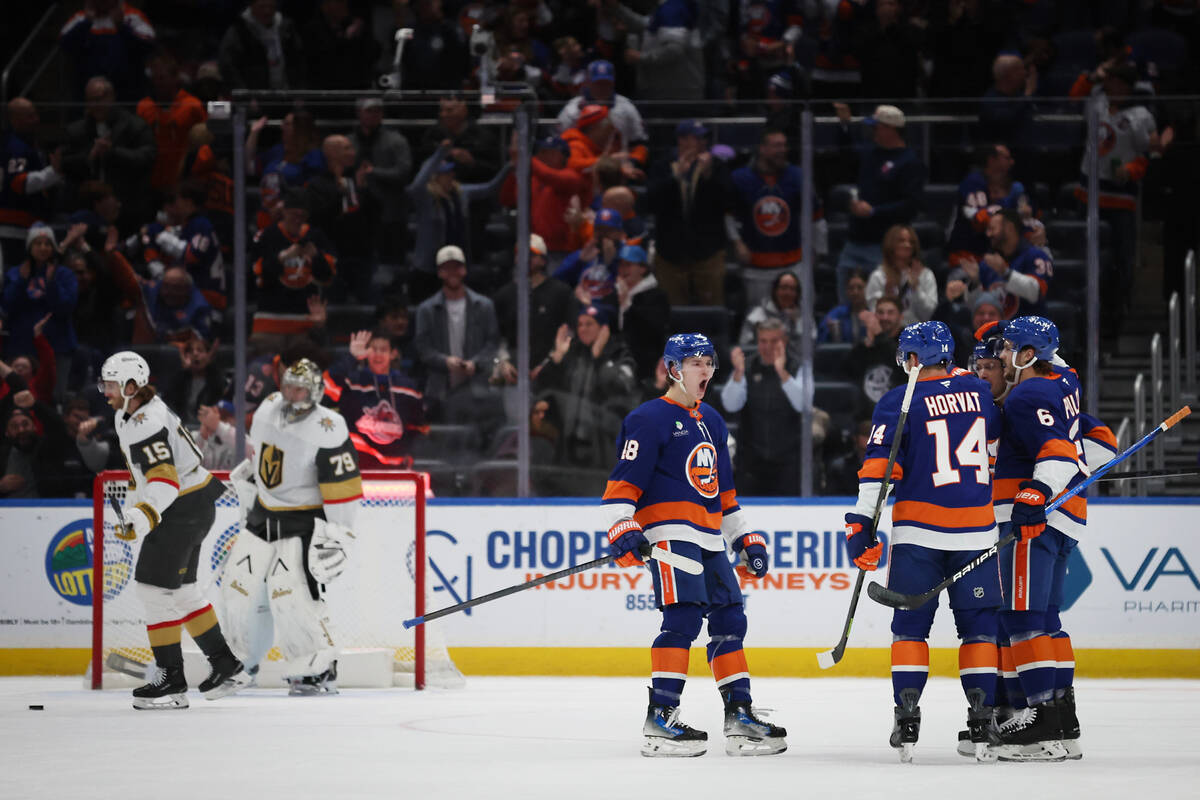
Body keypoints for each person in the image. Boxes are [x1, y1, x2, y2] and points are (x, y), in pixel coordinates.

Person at [601, 332, 786, 757]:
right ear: (673, 369)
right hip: (669, 536)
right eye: (695, 362)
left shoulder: (713, 422)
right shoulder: (648, 419)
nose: (705, 370)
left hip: (708, 538)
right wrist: (622, 528)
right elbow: (620, 490)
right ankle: (661, 718)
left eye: (709, 362)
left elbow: (724, 497)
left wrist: (744, 536)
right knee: (683, 618)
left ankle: (739, 715)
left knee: (730, 621)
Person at [845, 320, 1002, 762]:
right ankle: (981, 719)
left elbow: (879, 471)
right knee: (979, 629)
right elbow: (991, 451)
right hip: (976, 530)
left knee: (910, 628)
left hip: (918, 533)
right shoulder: (980, 391)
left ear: (914, 359)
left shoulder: (899, 400)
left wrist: (860, 526)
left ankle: (907, 717)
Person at [98, 351, 249, 708]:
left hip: (180, 508)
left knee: (152, 590)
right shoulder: (130, 413)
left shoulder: (144, 422)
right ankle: (224, 665)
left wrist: (140, 517)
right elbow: (148, 478)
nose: (104, 390)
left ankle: (171, 680)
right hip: (193, 504)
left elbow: (164, 483)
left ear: (131, 385)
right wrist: (140, 512)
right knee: (182, 591)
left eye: (111, 383)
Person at [220, 358, 361, 695]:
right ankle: (237, 660)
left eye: (299, 388)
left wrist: (339, 535)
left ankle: (317, 665)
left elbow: (344, 488)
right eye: (287, 386)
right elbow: (262, 456)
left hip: (301, 522)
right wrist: (250, 481)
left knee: (291, 593)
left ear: (315, 392)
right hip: (261, 516)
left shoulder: (330, 428)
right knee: (234, 588)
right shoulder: (269, 408)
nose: (291, 394)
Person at [988, 316, 1094, 761]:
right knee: (1046, 619)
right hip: (1065, 515)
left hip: (1034, 519)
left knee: (1022, 619)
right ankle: (1062, 720)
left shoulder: (1028, 394)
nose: (1001, 353)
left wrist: (1035, 493)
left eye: (1009, 346)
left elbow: (1055, 449)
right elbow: (1076, 440)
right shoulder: (1064, 380)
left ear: (1030, 354)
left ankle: (1042, 724)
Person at [832, 103, 926, 304]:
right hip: (855, 240)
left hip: (883, 245)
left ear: (891, 129)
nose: (873, 131)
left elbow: (911, 205)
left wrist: (874, 211)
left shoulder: (910, 162)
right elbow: (846, 155)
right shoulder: (870, 153)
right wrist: (845, 126)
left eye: (877, 127)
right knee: (846, 300)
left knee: (881, 304)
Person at [412, 245, 503, 432]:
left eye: (457, 267)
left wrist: (475, 363)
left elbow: (493, 342)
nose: (453, 272)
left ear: (464, 270)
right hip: (439, 390)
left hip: (477, 388)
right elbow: (422, 347)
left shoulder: (484, 306)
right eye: (447, 268)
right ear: (439, 273)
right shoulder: (426, 309)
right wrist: (445, 361)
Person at [729, 128, 823, 309]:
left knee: (798, 320)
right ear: (762, 149)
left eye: (785, 145)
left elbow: (816, 217)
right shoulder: (739, 178)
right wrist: (737, 242)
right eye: (776, 146)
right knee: (759, 322)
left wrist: (818, 252)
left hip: (793, 266)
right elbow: (727, 215)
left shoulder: (798, 176)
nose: (783, 150)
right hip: (756, 269)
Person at [647, 120, 734, 307]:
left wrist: (708, 176)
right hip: (670, 254)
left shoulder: (715, 166)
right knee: (672, 311)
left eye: (703, 138)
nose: (703, 143)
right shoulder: (662, 166)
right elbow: (648, 204)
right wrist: (674, 179)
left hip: (708, 252)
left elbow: (730, 203)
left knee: (712, 308)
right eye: (697, 138)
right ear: (682, 140)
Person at [721, 318, 812, 496]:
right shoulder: (746, 368)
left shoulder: (798, 367)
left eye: (774, 341)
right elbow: (730, 405)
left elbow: (804, 405)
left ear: (784, 341)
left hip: (789, 463)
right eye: (763, 341)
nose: (768, 347)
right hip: (752, 463)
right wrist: (738, 374)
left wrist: (782, 373)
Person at [62, 76, 156, 231]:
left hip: (126, 206)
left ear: (111, 97)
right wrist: (89, 156)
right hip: (87, 208)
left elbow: (148, 157)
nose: (95, 105)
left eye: (99, 99)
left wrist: (113, 152)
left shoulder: (135, 126)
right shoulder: (76, 130)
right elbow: (64, 163)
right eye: (90, 100)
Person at [329, 328, 428, 468]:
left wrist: (411, 452)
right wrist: (351, 357)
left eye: (383, 350)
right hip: (359, 463)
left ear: (393, 354)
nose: (378, 355)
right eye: (373, 349)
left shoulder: (408, 387)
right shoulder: (352, 382)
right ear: (366, 352)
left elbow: (418, 426)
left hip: (396, 465)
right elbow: (326, 388)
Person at [0, 99, 63, 270]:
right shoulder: (16, 147)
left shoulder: (24, 144)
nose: (36, 120)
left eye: (35, 115)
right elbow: (19, 183)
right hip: (14, 228)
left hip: (23, 227)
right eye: (29, 116)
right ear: (14, 120)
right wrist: (54, 172)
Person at [556, 60, 649, 172]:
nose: (602, 87)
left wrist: (633, 162)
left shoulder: (627, 108)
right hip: (581, 172)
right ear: (588, 82)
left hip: (618, 171)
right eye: (598, 83)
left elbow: (640, 144)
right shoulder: (571, 111)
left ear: (613, 83)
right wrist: (607, 162)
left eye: (606, 83)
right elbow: (559, 149)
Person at [594, 244, 671, 380]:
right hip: (614, 358)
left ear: (642, 268)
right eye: (621, 265)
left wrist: (628, 305)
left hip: (645, 361)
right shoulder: (611, 296)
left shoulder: (657, 296)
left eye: (628, 265)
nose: (623, 270)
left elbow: (655, 330)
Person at [136, 50, 207, 194]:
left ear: (175, 78)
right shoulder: (144, 106)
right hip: (150, 182)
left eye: (162, 78)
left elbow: (205, 143)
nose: (157, 83)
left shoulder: (192, 106)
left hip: (183, 182)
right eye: (155, 78)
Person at [977, 209, 1052, 320]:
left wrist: (1005, 273)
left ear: (1009, 228)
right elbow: (979, 305)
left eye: (992, 229)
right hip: (997, 333)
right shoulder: (988, 262)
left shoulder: (1036, 256)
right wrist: (973, 282)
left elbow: (1036, 293)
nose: (988, 234)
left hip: (1030, 332)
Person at [218, 0, 305, 92]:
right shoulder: (239, 31)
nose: (267, 11)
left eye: (271, 6)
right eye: (262, 7)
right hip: (253, 96)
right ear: (251, 6)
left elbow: (299, 62)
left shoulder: (287, 28)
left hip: (286, 94)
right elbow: (228, 66)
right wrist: (243, 93)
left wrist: (299, 90)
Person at [865, 225, 937, 326]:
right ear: (891, 244)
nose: (907, 245)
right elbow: (874, 313)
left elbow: (928, 315)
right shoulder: (878, 276)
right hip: (887, 336)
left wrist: (916, 289)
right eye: (901, 241)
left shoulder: (925, 275)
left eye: (911, 242)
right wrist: (887, 296)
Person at [847, 295, 905, 416]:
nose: (885, 317)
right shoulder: (867, 345)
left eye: (890, 313)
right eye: (880, 312)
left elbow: (902, 363)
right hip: (867, 414)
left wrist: (879, 335)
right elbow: (845, 372)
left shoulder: (910, 341)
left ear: (900, 317)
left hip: (898, 413)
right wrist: (863, 347)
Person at [819, 268, 868, 344]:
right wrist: (829, 331)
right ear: (846, 291)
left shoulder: (874, 312)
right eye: (851, 288)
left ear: (867, 289)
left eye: (860, 288)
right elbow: (822, 337)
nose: (855, 292)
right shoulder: (838, 313)